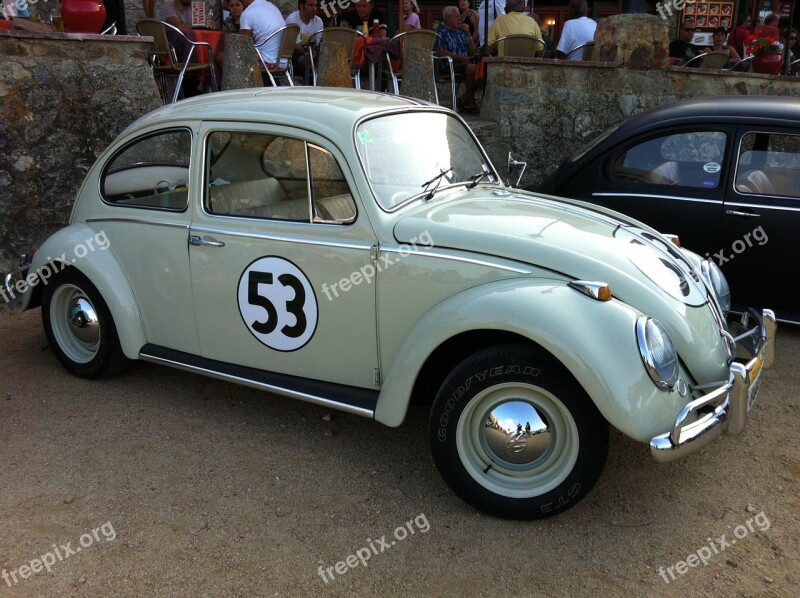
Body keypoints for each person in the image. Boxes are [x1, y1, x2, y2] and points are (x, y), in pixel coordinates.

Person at [434, 5, 478, 113]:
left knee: (483, 70)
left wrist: (468, 34)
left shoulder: (461, 32)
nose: (460, 19)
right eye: (456, 17)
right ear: (447, 19)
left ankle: (465, 98)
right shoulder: (440, 32)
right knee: (472, 69)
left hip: (463, 64)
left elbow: (472, 52)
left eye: (460, 17)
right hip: (447, 65)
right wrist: (461, 58)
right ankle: (469, 99)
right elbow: (439, 51)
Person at [239, 0, 285, 67]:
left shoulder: (248, 13)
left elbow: (243, 46)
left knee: (222, 57)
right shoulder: (271, 6)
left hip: (267, 62)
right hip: (284, 62)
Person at [286, 0, 323, 79]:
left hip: (312, 54)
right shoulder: (293, 19)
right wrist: (312, 55)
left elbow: (319, 45)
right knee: (306, 62)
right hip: (294, 55)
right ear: (301, 6)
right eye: (310, 5)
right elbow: (297, 47)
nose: (314, 9)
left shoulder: (318, 21)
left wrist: (319, 60)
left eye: (316, 5)